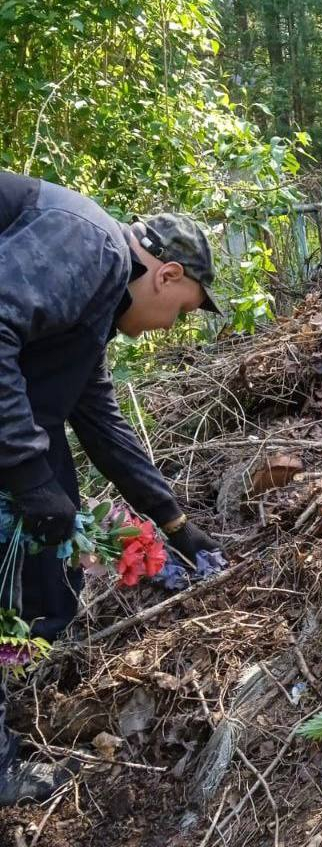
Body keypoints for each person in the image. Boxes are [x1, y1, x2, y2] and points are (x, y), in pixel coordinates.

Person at [0, 171, 224, 804]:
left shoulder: (94, 298)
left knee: (47, 572)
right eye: (180, 312)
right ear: (168, 275)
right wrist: (27, 475)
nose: (171, 326)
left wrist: (173, 521)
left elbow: (93, 413)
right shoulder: (89, 244)